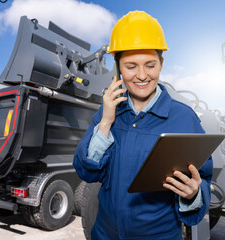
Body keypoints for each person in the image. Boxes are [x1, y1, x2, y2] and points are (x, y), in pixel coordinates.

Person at [73, 10, 212, 239]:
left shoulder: (184, 118)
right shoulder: (108, 112)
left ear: (161, 64)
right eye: (131, 66)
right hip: (104, 234)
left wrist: (194, 193)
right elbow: (86, 171)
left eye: (150, 65)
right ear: (117, 67)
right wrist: (106, 121)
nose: (141, 75)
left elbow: (203, 178)